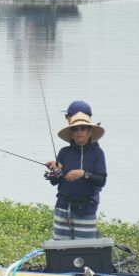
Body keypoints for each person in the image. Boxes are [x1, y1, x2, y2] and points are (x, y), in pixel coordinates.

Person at [44, 101, 106, 241]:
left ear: (90, 131)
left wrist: (84, 174)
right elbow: (54, 181)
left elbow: (101, 181)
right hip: (63, 208)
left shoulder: (97, 153)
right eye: (75, 129)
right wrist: (55, 169)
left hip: (86, 209)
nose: (78, 132)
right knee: (61, 249)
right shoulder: (64, 152)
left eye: (83, 128)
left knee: (85, 250)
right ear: (71, 132)